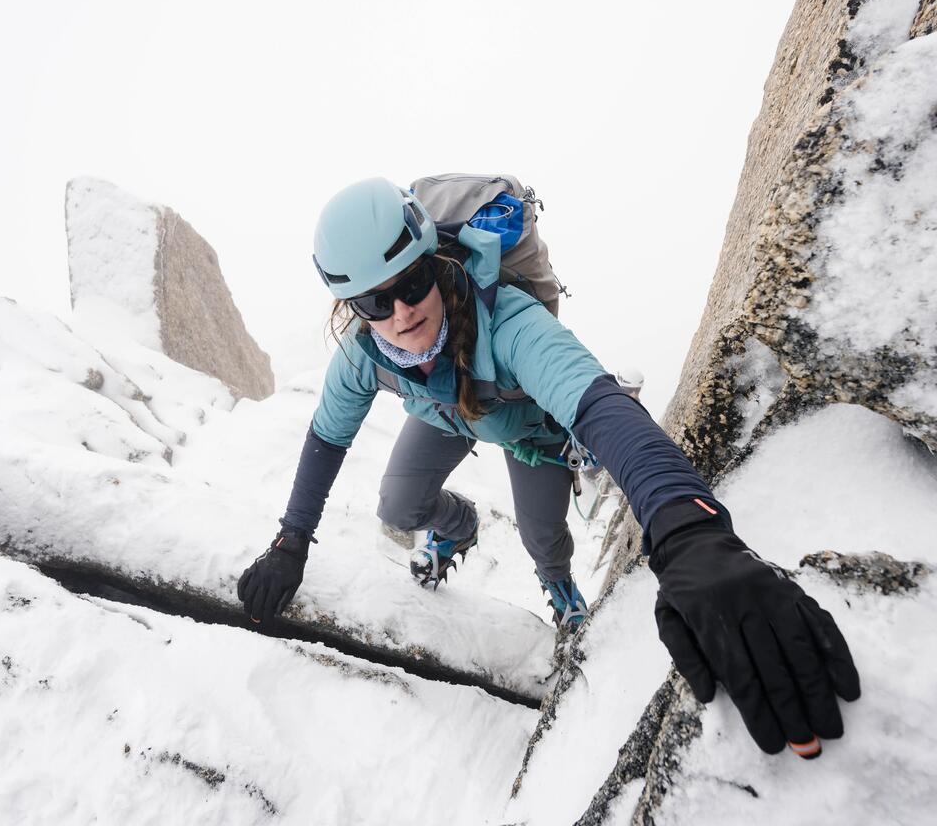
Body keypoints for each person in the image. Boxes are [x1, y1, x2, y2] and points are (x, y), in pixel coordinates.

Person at [238, 177, 860, 758]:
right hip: (443, 416)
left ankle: (562, 593)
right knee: (397, 507)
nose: (399, 313)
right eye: (375, 301)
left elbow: (599, 405)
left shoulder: (507, 321)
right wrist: (291, 541)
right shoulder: (364, 354)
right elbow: (326, 438)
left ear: (434, 264)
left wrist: (689, 532)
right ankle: (457, 527)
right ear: (353, 307)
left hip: (528, 434)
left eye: (411, 282)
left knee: (543, 538)